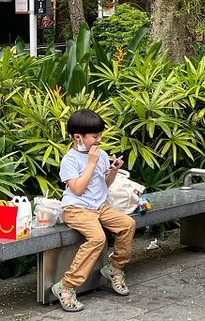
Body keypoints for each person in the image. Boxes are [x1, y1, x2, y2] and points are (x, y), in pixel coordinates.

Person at [52, 109, 135, 312]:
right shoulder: (70, 160)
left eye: (99, 135)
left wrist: (113, 169)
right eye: (94, 136)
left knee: (127, 224)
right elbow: (78, 189)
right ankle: (66, 285)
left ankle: (114, 268)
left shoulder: (102, 155)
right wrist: (90, 162)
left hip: (99, 207)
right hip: (76, 208)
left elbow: (105, 184)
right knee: (98, 238)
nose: (99, 140)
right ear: (78, 137)